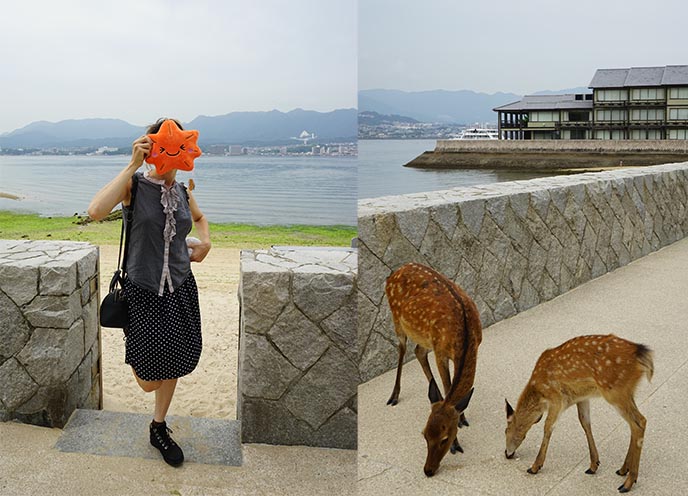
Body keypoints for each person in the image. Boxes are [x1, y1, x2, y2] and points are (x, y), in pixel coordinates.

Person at [88, 117, 211, 467]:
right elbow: (96, 211)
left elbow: (200, 219)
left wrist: (206, 242)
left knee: (174, 360)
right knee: (146, 381)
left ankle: (158, 426)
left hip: (181, 286)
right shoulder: (136, 187)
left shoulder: (185, 192)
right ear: (153, 148)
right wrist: (132, 164)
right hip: (142, 291)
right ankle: (153, 401)